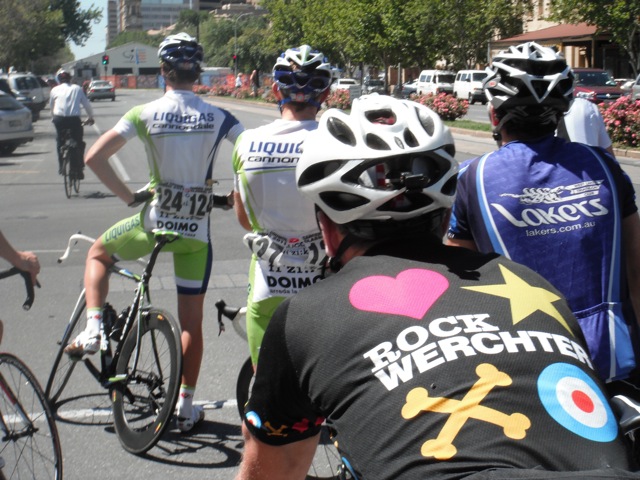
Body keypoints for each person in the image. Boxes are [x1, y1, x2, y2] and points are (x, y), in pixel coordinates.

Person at [237, 94, 640, 479]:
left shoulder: (304, 317)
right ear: (446, 215)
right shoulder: (530, 283)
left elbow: (276, 469)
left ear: (325, 227)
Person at [62, 32, 244, 433]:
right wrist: (234, 197)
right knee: (191, 324)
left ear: (163, 71)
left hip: (154, 224)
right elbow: (250, 156)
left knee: (97, 254)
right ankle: (185, 408)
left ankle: (93, 328)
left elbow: (93, 157)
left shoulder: (144, 113)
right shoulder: (221, 117)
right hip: (196, 235)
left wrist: (129, 196)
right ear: (198, 73)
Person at [446, 42, 640, 390]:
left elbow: (459, 285)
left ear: (494, 115)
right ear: (561, 112)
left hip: (526, 367)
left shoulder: (471, 178)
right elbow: (636, 267)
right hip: (614, 357)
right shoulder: (604, 166)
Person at [232, 45, 332, 368]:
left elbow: (244, 219)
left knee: (265, 391)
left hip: (267, 283)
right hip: (325, 283)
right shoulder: (337, 141)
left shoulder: (246, 142)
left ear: (276, 90)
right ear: (325, 94)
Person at [49, 68, 95, 179]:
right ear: (70, 79)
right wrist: (90, 117)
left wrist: (53, 118)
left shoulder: (54, 90)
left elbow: (51, 106)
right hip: (74, 120)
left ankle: (61, 166)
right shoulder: (77, 88)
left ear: (59, 80)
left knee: (60, 141)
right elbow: (87, 105)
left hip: (59, 119)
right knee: (78, 142)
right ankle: (79, 167)